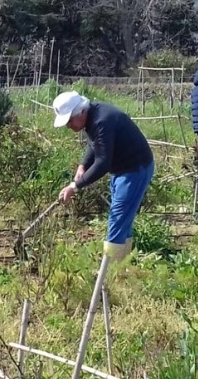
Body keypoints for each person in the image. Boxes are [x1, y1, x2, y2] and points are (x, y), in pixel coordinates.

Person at [53, 91, 155, 264]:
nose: (69, 125)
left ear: (81, 111)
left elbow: (102, 163)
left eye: (70, 120)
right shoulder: (93, 116)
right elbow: (95, 144)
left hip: (134, 170)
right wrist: (83, 165)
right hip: (122, 170)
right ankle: (122, 266)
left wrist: (75, 186)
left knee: (117, 219)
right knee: (123, 219)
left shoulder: (102, 120)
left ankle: (109, 271)